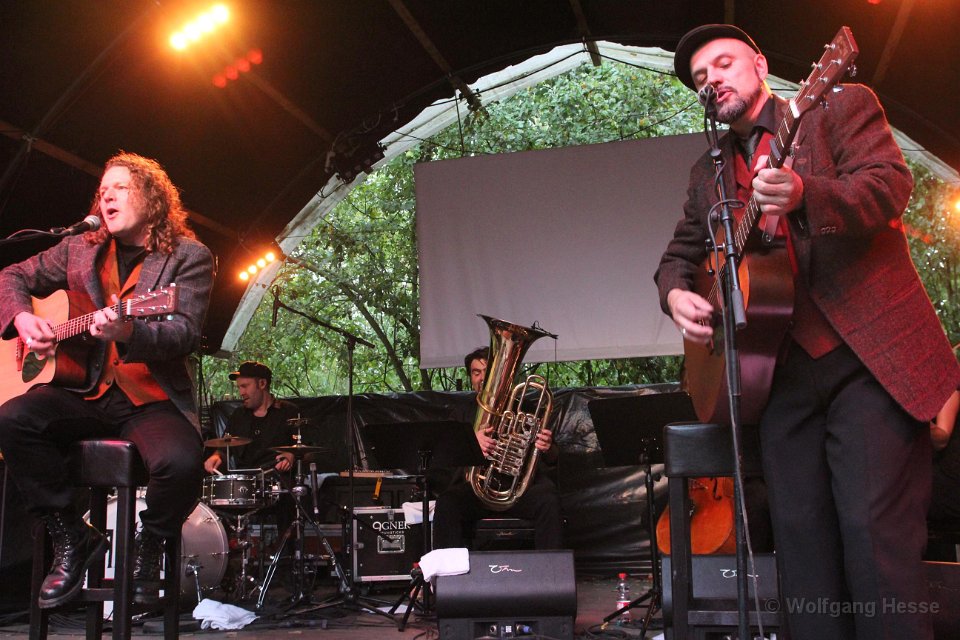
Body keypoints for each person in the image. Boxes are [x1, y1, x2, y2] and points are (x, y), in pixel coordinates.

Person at [655, 25, 960, 640]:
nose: (712, 80)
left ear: (760, 63)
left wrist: (806, 193)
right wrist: (675, 293)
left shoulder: (837, 107)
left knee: (875, 541)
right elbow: (679, 256)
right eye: (700, 78)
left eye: (723, 63)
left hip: (866, 360)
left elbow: (889, 186)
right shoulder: (707, 173)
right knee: (802, 551)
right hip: (777, 378)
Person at [0, 152, 214, 608]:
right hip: (84, 392)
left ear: (152, 198)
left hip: (149, 398)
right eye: (103, 190)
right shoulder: (78, 248)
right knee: (13, 419)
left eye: (120, 188)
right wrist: (21, 317)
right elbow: (11, 274)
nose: (107, 197)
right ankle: (71, 535)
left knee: (181, 463)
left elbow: (184, 333)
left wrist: (129, 332)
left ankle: (149, 544)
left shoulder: (188, 256)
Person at [432, 346, 563, 550]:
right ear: (470, 378)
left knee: (549, 501)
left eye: (488, 372)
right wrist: (471, 443)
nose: (482, 378)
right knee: (447, 503)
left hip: (518, 491)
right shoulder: (461, 413)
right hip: (476, 492)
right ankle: (450, 570)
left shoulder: (527, 408)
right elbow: (446, 457)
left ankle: (551, 568)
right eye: (476, 373)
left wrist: (546, 447)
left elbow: (553, 457)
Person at [203, 361, 299, 544]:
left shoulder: (288, 412)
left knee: (290, 496)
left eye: (245, 386)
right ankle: (225, 550)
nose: (241, 392)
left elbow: (306, 447)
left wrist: (291, 455)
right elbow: (225, 447)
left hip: (276, 481)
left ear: (262, 384)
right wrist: (216, 456)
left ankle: (285, 554)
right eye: (239, 387)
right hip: (245, 482)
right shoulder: (239, 415)